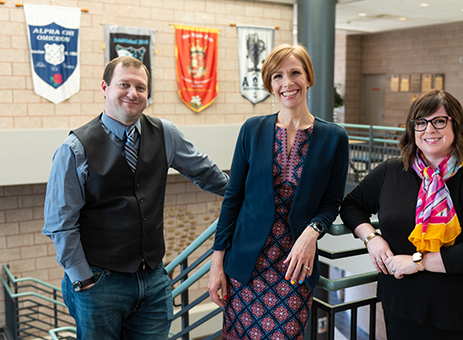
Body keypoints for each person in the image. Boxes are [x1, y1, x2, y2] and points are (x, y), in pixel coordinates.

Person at [42, 56, 229, 340]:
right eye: (124, 84)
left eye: (140, 87)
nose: (133, 93)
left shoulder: (166, 134)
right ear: (105, 88)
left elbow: (209, 175)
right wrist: (84, 279)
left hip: (153, 280)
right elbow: (59, 224)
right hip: (99, 284)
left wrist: (251, 195)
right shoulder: (74, 148)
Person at [340, 89, 463, 339]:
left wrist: (417, 262)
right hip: (403, 307)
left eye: (439, 121)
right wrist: (371, 238)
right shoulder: (391, 172)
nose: (429, 129)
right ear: (412, 129)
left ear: (456, 127)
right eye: (420, 122)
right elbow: (351, 206)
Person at [207, 44, 349, 339]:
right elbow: (233, 199)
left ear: (308, 77)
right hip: (246, 267)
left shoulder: (334, 138)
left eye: (295, 73)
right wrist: (216, 264)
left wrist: (313, 231)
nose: (287, 83)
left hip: (294, 267)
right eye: (277, 76)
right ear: (270, 85)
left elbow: (332, 201)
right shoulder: (252, 129)